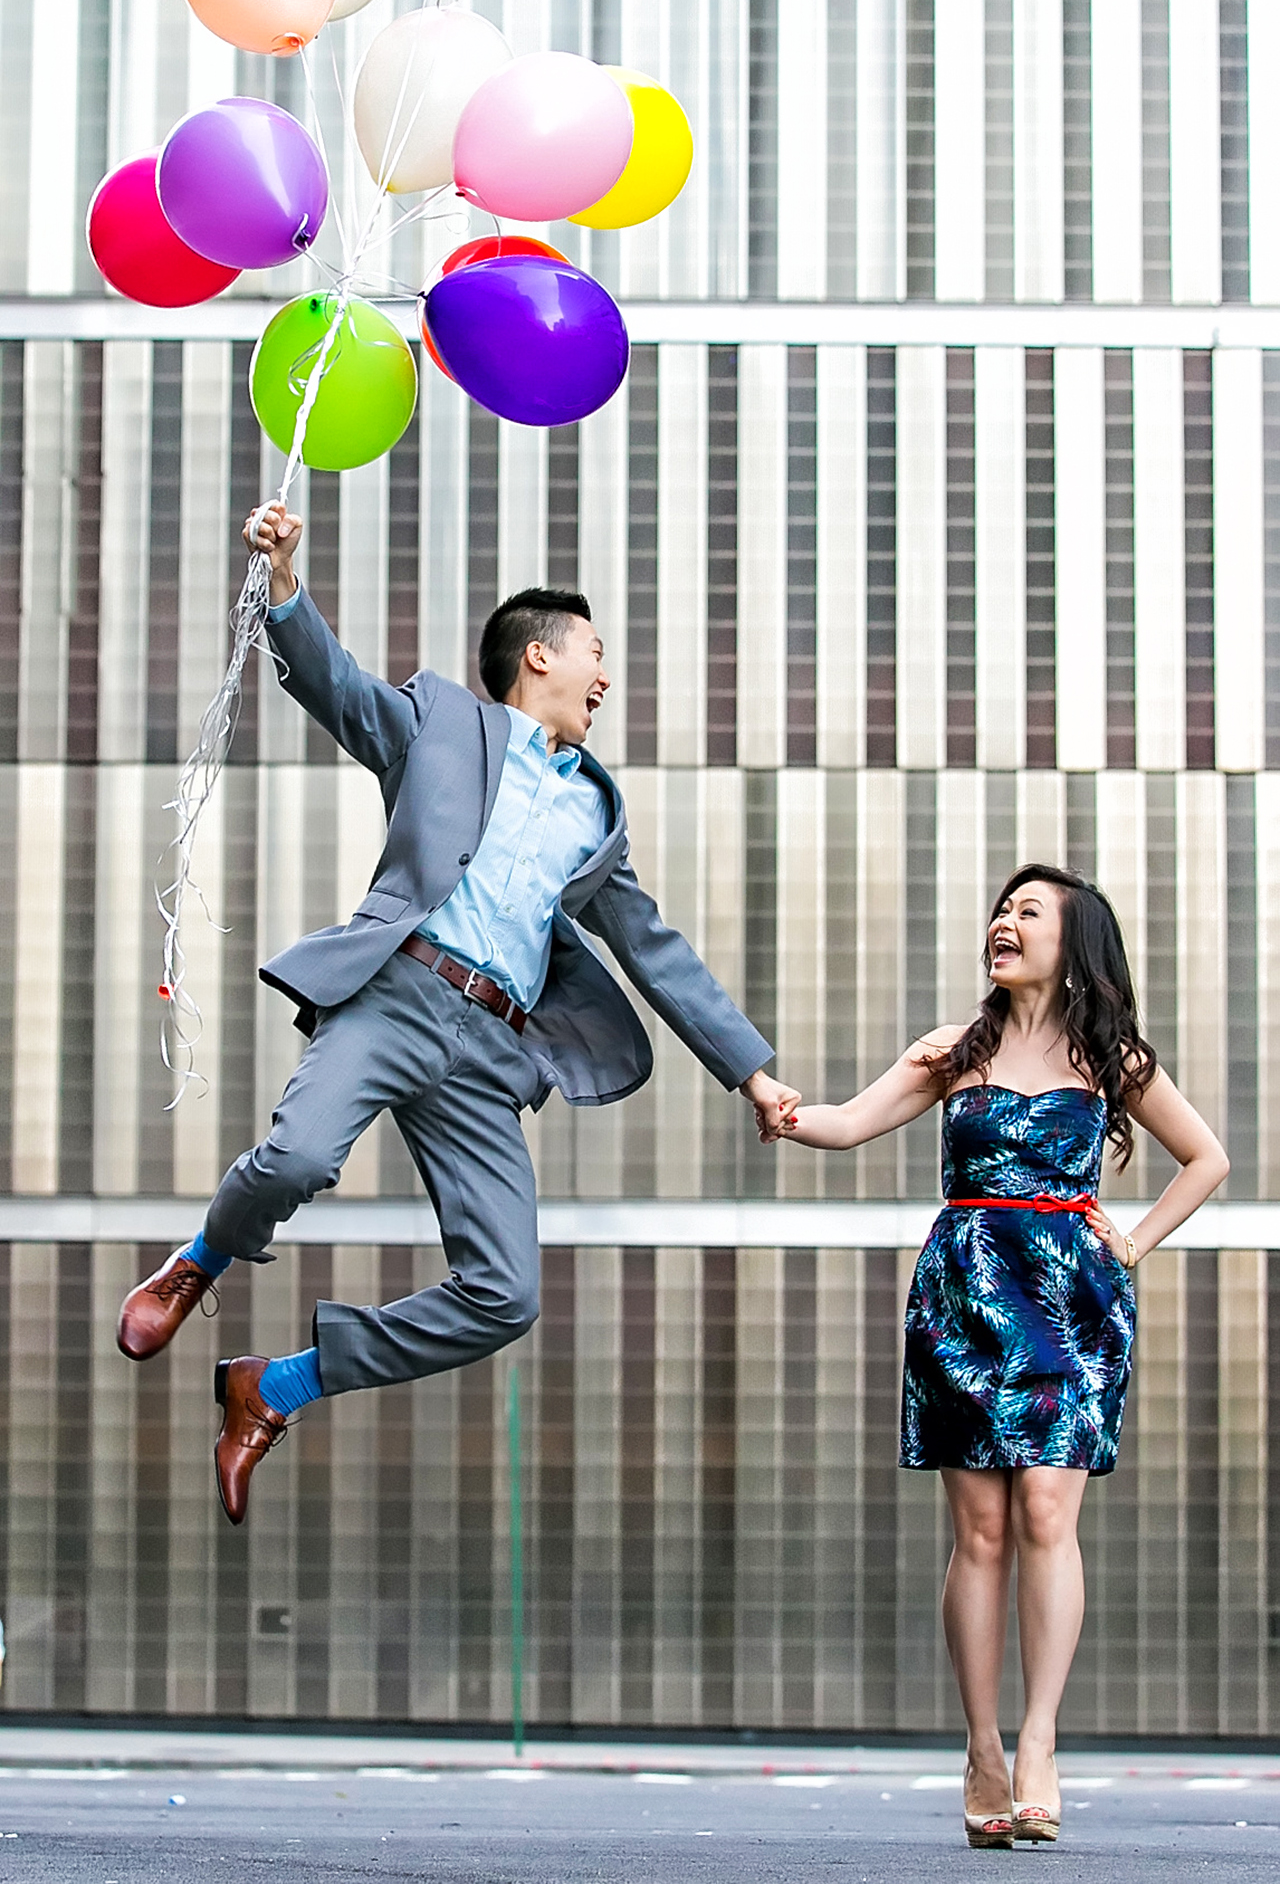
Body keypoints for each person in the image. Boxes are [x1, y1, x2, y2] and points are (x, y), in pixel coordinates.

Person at [118, 504, 799, 1523]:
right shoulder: (440, 722)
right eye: (596, 655)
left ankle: (276, 1386)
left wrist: (750, 1069)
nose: (606, 679)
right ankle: (199, 1261)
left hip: (492, 1047)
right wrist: (284, 580)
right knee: (298, 1160)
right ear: (540, 655)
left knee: (504, 1297)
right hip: (397, 992)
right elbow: (339, 690)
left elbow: (653, 947)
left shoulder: (594, 811)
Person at [768, 864, 1227, 1851]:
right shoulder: (949, 1049)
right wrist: (773, 1100)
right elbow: (845, 1122)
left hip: (1069, 1298)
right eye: (999, 909)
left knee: (1047, 1512)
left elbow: (1207, 1157)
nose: (1001, 923)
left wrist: (1134, 1241)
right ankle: (979, 1749)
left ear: (1073, 942)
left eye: (1027, 912)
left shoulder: (1113, 1060)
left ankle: (1037, 1745)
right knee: (978, 1526)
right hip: (964, 1290)